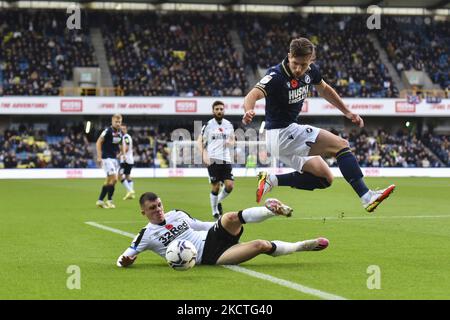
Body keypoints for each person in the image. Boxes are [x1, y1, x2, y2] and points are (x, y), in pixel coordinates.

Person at [242, 38, 395, 212]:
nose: (299, 69)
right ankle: (367, 196)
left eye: (304, 64)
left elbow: (324, 89)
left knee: (325, 178)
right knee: (341, 145)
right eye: (295, 63)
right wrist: (249, 110)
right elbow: (252, 95)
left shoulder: (311, 71)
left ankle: (272, 180)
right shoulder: (276, 75)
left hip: (282, 140)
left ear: (311, 61)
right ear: (289, 56)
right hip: (281, 133)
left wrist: (347, 111)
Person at [116, 192, 329, 268]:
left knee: (230, 217)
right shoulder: (146, 235)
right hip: (210, 257)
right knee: (260, 245)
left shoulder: (177, 214)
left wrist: (222, 227)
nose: (158, 210)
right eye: (152, 209)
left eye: (159, 205)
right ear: (144, 213)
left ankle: (271, 210)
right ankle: (303, 246)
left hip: (212, 237)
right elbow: (124, 257)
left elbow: (203, 225)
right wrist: (125, 262)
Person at [197, 101, 235, 220]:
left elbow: (233, 139)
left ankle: (217, 201)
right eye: (217, 109)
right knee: (216, 187)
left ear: (224, 110)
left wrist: (230, 142)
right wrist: (204, 155)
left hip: (226, 159)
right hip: (212, 158)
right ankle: (215, 211)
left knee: (229, 186)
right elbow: (199, 141)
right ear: (213, 111)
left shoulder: (229, 124)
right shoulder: (208, 125)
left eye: (221, 109)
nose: (219, 111)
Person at [95, 114, 123, 209]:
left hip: (114, 159)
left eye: (119, 122)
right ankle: (110, 200)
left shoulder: (120, 132)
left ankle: (100, 200)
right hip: (106, 158)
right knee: (114, 179)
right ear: (112, 121)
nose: (118, 123)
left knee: (108, 180)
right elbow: (98, 142)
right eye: (116, 121)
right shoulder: (107, 131)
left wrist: (120, 153)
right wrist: (99, 157)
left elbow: (118, 144)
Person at [119, 124, 135, 200]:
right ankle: (130, 194)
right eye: (121, 129)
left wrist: (121, 154)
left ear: (126, 129)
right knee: (127, 175)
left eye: (123, 129)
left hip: (125, 160)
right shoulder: (127, 136)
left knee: (119, 175)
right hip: (130, 159)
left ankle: (130, 190)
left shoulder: (125, 137)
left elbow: (127, 147)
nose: (122, 130)